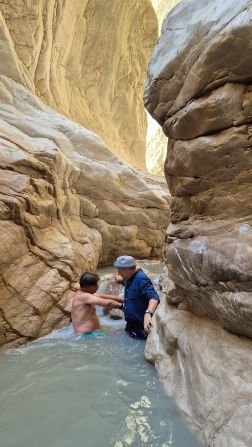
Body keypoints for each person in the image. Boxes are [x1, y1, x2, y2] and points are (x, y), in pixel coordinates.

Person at [114, 256, 160, 340]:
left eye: (119, 270)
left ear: (127, 270)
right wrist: (120, 280)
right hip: (131, 327)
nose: (118, 273)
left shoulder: (141, 279)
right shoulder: (129, 278)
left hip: (141, 331)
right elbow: (128, 283)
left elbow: (154, 297)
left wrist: (148, 313)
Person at [71, 272, 123, 336]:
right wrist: (123, 306)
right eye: (95, 285)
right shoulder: (83, 296)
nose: (98, 286)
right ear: (87, 287)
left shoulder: (83, 293)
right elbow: (108, 303)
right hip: (86, 335)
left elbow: (101, 296)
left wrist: (122, 299)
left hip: (88, 334)